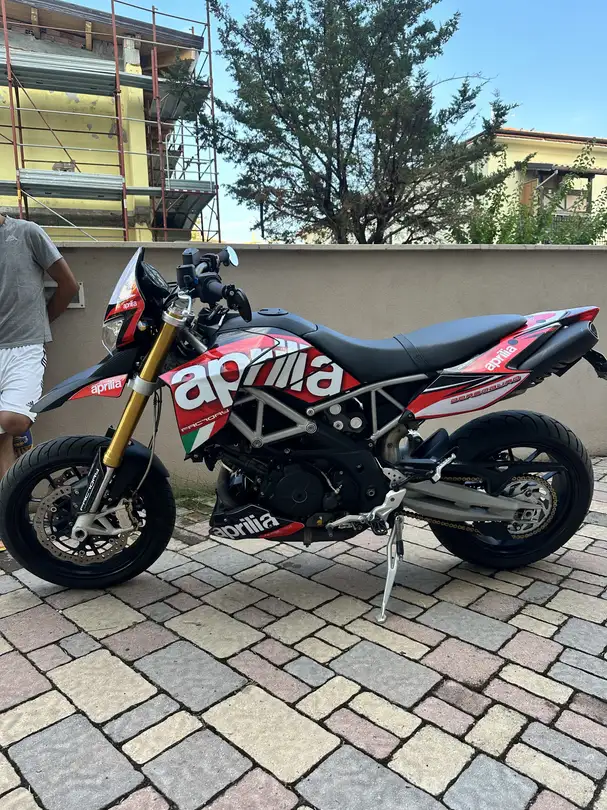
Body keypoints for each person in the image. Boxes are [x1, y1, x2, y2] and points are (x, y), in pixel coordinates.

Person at [0, 214, 79, 549]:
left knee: (13, 422)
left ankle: (22, 436)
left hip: (24, 347)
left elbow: (68, 285)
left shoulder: (26, 233)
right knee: (1, 442)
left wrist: (41, 323)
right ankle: (9, 524)